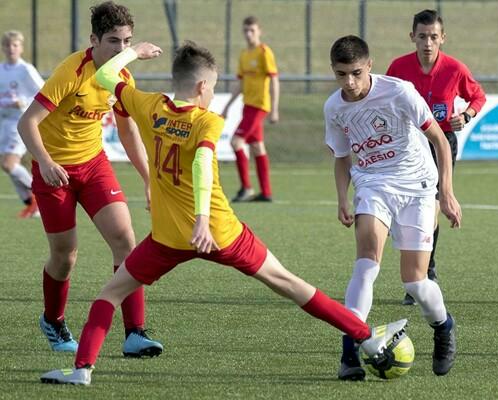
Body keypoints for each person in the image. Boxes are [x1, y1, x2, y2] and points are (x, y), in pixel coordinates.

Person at [39, 40, 407, 385]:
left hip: (168, 238)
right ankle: (368, 340)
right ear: (202, 86)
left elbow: (104, 76)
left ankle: (82, 369)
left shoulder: (148, 106)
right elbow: (201, 162)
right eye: (213, 86)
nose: (213, 93)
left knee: (110, 294)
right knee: (290, 284)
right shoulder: (207, 120)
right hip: (219, 231)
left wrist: (133, 52)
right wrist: (202, 219)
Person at [17, 1, 162, 357]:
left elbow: (128, 134)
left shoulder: (121, 76)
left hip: (94, 165)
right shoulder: (72, 71)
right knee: (65, 256)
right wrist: (46, 162)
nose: (122, 50)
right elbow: (27, 123)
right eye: (114, 41)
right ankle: (53, 319)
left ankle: (135, 333)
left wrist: (148, 180)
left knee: (125, 241)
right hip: (55, 172)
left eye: (127, 42)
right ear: (94, 40)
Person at [324, 35, 461, 379]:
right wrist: (342, 197)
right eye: (341, 74)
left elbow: (440, 141)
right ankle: (349, 352)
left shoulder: (399, 92)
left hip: (417, 185)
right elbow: (342, 158)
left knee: (414, 281)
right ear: (334, 72)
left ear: (369, 66)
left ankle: (443, 327)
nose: (350, 82)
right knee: (366, 264)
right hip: (373, 184)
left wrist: (446, 192)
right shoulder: (334, 108)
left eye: (356, 72)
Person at [386, 9, 486, 306]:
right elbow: (384, 97)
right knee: (409, 208)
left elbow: (477, 96)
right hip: (408, 145)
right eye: (421, 36)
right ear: (412, 37)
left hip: (441, 142)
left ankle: (423, 274)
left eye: (433, 37)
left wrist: (466, 115)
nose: (427, 43)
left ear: (442, 38)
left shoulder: (455, 69)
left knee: (432, 206)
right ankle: (420, 273)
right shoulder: (399, 67)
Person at [221, 15, 279, 203]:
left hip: (259, 106)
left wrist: (274, 109)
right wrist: (228, 106)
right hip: (248, 106)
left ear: (259, 31)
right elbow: (241, 84)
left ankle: (246, 188)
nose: (248, 34)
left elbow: (274, 80)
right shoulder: (244, 55)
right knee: (256, 146)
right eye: (246, 30)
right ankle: (266, 192)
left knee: (236, 142)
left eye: (252, 30)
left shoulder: (264, 52)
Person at [0, 30, 43, 218]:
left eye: (15, 45)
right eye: (7, 45)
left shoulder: (26, 70)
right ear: (2, 48)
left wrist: (24, 103)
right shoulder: (1, 70)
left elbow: (43, 91)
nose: (11, 49)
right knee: (7, 165)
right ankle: (31, 203)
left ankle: (39, 198)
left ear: (21, 48)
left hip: (19, 121)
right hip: (4, 122)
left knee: (9, 164)